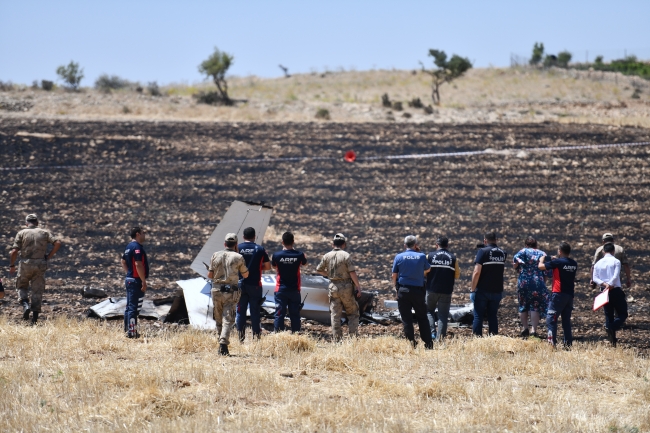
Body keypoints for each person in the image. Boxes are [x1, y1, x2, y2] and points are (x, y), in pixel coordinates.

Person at [9, 214, 62, 324]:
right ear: (37, 223)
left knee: (21, 286)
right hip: (40, 263)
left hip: (25, 264)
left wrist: (12, 265)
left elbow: (14, 251)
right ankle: (34, 319)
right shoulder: (44, 232)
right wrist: (48, 256)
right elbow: (57, 242)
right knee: (37, 290)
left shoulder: (21, 233)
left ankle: (25, 305)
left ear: (26, 223)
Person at [208, 233, 249, 355]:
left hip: (216, 290)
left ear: (224, 244)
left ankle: (220, 341)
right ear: (236, 245)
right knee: (228, 318)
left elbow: (210, 275)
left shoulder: (215, 255)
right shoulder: (238, 257)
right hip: (230, 292)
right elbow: (245, 274)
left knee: (218, 318)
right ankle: (223, 344)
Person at [316, 233, 362, 341]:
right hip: (346, 287)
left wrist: (329, 275)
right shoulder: (346, 256)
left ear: (333, 244)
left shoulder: (327, 256)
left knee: (335, 314)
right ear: (344, 244)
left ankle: (337, 339)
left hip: (333, 286)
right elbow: (352, 273)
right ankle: (353, 338)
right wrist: (358, 286)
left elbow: (319, 269)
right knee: (353, 312)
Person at [392, 235, 433, 349]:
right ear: (416, 245)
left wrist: (396, 288)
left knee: (406, 318)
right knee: (422, 317)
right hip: (418, 291)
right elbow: (428, 269)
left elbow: (394, 275)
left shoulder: (399, 257)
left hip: (403, 290)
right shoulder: (421, 256)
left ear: (405, 245)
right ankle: (428, 343)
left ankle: (411, 342)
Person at [538, 242, 577, 347]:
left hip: (558, 294)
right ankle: (568, 344)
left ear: (559, 251)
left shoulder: (558, 262)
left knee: (551, 318)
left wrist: (542, 258)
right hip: (569, 295)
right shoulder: (574, 263)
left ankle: (552, 343)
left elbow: (541, 266)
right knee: (566, 321)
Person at [235, 227, 271, 342]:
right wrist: (256, 267)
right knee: (255, 311)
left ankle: (241, 338)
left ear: (243, 237)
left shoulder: (237, 248)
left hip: (240, 284)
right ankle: (256, 338)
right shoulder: (260, 249)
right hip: (255, 285)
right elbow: (268, 266)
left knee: (240, 311)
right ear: (254, 236)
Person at [471, 232, 507, 337]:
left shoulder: (482, 251)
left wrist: (473, 289)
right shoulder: (503, 253)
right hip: (497, 289)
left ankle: (477, 338)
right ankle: (493, 337)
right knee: (493, 315)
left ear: (485, 240)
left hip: (482, 289)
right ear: (496, 240)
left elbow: (476, 272)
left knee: (478, 316)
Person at [512, 236, 549, 338]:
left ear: (526, 244)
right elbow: (546, 271)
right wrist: (543, 282)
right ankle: (534, 330)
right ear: (536, 245)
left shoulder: (522, 251)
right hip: (537, 282)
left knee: (523, 305)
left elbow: (515, 264)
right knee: (535, 306)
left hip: (523, 282)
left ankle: (525, 328)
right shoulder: (542, 253)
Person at [425, 236, 460, 341]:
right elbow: (457, 275)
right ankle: (440, 339)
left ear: (436, 245)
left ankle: (432, 333)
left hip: (431, 289)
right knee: (443, 315)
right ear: (447, 246)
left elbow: (424, 272)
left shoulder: (429, 256)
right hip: (446, 290)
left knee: (428, 311)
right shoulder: (453, 258)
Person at [592, 242, 627, 347]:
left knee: (608, 315)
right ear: (613, 251)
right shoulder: (616, 261)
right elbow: (616, 276)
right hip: (615, 290)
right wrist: (610, 284)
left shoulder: (598, 263)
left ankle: (612, 341)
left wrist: (604, 284)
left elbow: (595, 278)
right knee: (623, 314)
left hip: (604, 291)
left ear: (603, 251)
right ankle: (612, 327)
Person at [271, 232, 307, 333]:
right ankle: (296, 334)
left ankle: (278, 334)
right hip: (294, 289)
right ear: (293, 242)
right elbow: (305, 264)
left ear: (282, 242)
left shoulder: (277, 255)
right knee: (295, 314)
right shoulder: (299, 255)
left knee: (279, 314)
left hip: (280, 289)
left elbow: (274, 267)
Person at [121, 227, 150, 338]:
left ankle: (127, 330)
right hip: (136, 281)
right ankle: (132, 333)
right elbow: (138, 264)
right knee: (134, 308)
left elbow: (122, 261)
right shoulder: (137, 248)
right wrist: (143, 281)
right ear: (138, 234)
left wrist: (129, 273)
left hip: (129, 279)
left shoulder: (128, 247)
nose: (144, 235)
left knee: (129, 307)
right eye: (143, 233)